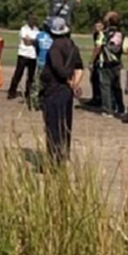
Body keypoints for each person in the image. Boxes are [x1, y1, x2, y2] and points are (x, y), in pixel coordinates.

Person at [39, 16, 84, 166]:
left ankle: (54, 160)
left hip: (54, 89)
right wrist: (75, 84)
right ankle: (64, 155)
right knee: (65, 124)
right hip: (67, 91)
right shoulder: (73, 46)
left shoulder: (55, 47)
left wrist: (68, 81)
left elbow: (60, 70)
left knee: (53, 125)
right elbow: (79, 68)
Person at [98, 11, 125, 118]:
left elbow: (99, 46)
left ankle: (107, 109)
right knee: (116, 86)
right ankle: (120, 107)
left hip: (105, 62)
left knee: (105, 86)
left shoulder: (104, 33)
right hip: (117, 62)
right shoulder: (121, 34)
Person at [7, 13, 39, 102]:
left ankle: (28, 93)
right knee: (18, 74)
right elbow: (26, 42)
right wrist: (34, 41)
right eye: (32, 19)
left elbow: (38, 42)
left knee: (31, 76)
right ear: (28, 20)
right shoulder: (23, 29)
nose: (33, 21)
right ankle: (12, 92)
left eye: (35, 19)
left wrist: (32, 41)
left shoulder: (37, 30)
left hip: (33, 55)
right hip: (23, 54)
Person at [30, 20, 55, 111]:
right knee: (39, 84)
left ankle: (38, 103)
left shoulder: (42, 35)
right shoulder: (44, 36)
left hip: (45, 62)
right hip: (45, 63)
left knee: (39, 84)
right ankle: (36, 103)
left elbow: (36, 47)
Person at [88, 19, 104, 107]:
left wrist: (92, 60)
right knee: (93, 79)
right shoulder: (95, 35)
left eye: (99, 26)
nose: (97, 28)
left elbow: (98, 48)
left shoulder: (102, 35)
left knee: (99, 79)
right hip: (97, 59)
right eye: (95, 26)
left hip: (101, 59)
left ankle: (99, 99)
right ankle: (95, 97)